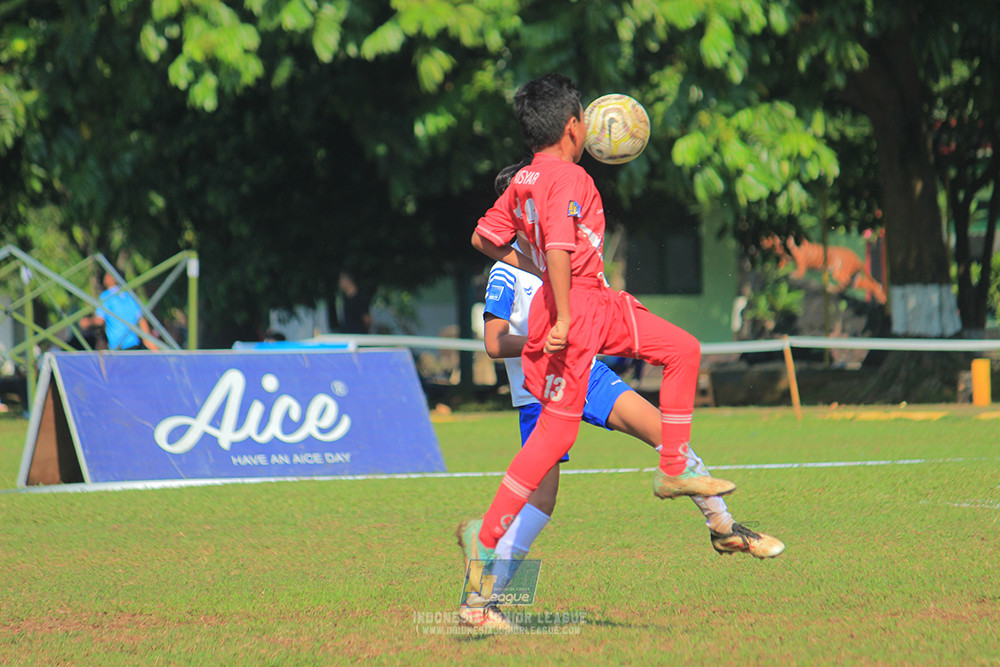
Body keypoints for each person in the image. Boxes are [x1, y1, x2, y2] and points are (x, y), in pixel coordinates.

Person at [458, 161, 784, 630]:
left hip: (587, 375)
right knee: (541, 502)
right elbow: (493, 343)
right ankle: (479, 602)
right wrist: (541, 340)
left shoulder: (561, 256)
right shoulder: (507, 273)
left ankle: (723, 527)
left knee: (662, 430)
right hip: (540, 392)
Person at [92, 271, 159, 351]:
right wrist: (151, 344)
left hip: (118, 347)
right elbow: (141, 319)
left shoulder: (106, 296)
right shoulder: (129, 295)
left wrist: (86, 322)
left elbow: (99, 320)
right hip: (134, 345)